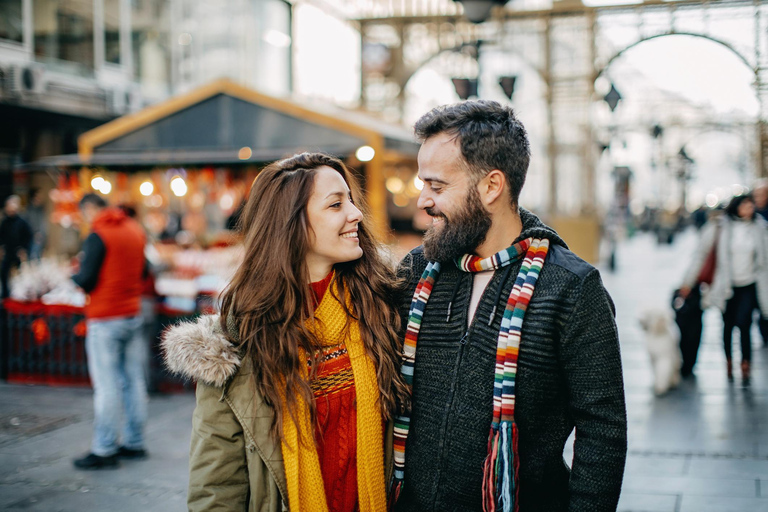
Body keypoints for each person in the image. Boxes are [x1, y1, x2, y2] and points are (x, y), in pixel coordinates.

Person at [391, 101, 627, 512]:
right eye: (422, 184)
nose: (423, 202)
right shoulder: (415, 271)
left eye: (438, 186)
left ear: (491, 186)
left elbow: (602, 428)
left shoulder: (571, 287)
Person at [162, 152, 408, 512]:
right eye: (336, 205)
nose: (355, 213)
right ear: (291, 224)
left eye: (351, 201)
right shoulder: (235, 343)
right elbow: (216, 487)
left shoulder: (385, 310)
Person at [71, 193, 149, 469]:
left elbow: (86, 278)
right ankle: (134, 442)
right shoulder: (135, 229)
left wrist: (72, 276)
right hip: (132, 313)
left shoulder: (98, 234)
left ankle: (104, 448)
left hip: (105, 316)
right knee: (133, 381)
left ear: (91, 209)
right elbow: (145, 270)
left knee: (106, 385)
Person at [680, 193, 768, 384]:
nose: (749, 209)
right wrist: (688, 282)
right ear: (736, 207)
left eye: (751, 206)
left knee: (744, 323)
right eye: (745, 205)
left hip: (750, 284)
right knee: (727, 325)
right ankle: (728, 361)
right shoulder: (719, 226)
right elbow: (701, 255)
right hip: (726, 285)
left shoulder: (759, 227)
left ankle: (745, 363)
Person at [0, 195, 33, 299]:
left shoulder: (22, 222)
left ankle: (19, 297)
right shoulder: (5, 222)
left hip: (19, 253)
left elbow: (29, 237)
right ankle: (6, 296)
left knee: (21, 276)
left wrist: (24, 249)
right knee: (4, 273)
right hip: (8, 252)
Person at [25, 188, 47, 261]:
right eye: (38, 196)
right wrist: (34, 233)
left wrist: (43, 234)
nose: (40, 198)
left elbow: (43, 223)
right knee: (33, 257)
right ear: (33, 197)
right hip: (32, 237)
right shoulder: (29, 210)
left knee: (40, 257)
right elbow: (28, 224)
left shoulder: (40, 209)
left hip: (41, 236)